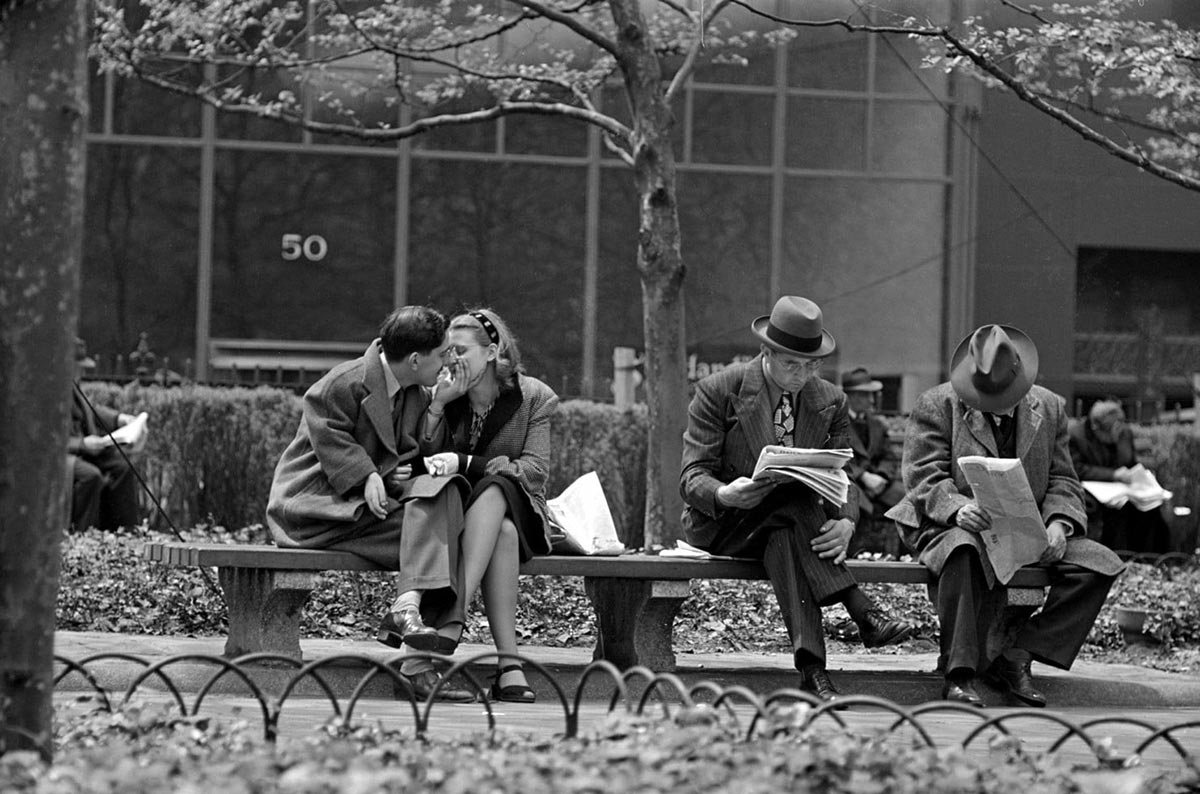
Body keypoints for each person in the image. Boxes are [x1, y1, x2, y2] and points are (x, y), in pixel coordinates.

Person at [680, 295, 914, 704]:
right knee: (792, 504)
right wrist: (725, 493)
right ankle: (860, 609)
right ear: (765, 352)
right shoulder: (719, 390)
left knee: (788, 523)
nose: (802, 375)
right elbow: (691, 477)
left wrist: (846, 521)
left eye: (812, 365)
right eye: (792, 364)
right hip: (726, 523)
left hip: (788, 530)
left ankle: (813, 671)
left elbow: (843, 472)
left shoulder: (829, 400)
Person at [887, 324, 1124, 708]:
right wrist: (957, 507)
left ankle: (1017, 657)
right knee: (963, 550)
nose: (995, 404)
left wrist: (1058, 525)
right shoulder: (937, 404)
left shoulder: (1050, 407)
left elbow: (1064, 478)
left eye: (1005, 396)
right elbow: (921, 476)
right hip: (951, 525)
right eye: (985, 396)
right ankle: (959, 674)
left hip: (1027, 528)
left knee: (1098, 564)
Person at [266, 306, 475, 701]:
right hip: (317, 512)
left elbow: (417, 458)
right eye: (443, 352)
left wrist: (437, 407)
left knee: (447, 505)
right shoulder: (343, 383)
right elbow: (332, 442)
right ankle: (417, 666)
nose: (449, 359)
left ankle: (407, 606)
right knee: (442, 536)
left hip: (369, 516)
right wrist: (369, 475)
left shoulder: (415, 392)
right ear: (415, 360)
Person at [423, 308, 559, 703]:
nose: (451, 359)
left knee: (499, 487)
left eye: (461, 350)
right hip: (456, 514)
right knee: (501, 532)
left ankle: (452, 612)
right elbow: (424, 462)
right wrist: (437, 406)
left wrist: (470, 464)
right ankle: (508, 666)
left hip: (523, 508)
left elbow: (533, 472)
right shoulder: (444, 394)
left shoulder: (535, 397)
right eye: (448, 351)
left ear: (491, 351)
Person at [1069, 400, 1172, 556]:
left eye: (1119, 428)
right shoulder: (1077, 435)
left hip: (1125, 488)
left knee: (1150, 506)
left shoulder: (1125, 433)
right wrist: (1113, 475)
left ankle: (1144, 557)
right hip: (1094, 490)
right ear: (1096, 427)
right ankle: (1115, 556)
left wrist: (1138, 476)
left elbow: (1130, 463)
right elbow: (1077, 469)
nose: (1117, 435)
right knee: (1116, 510)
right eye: (1111, 432)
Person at [69, 337, 146, 533]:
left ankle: (124, 530)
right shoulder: (48, 391)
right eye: (78, 367)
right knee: (90, 476)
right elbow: (46, 438)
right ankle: (82, 533)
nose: (82, 372)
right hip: (64, 454)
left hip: (85, 450)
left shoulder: (73, 385)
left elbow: (90, 409)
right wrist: (81, 444)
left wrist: (119, 419)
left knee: (122, 467)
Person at [841, 367, 905, 541]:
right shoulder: (836, 422)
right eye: (865, 395)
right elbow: (836, 458)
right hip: (850, 483)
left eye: (872, 394)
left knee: (908, 502)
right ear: (851, 396)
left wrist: (881, 476)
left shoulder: (877, 424)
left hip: (878, 484)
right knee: (855, 508)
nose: (871, 400)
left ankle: (900, 556)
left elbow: (888, 456)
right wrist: (863, 476)